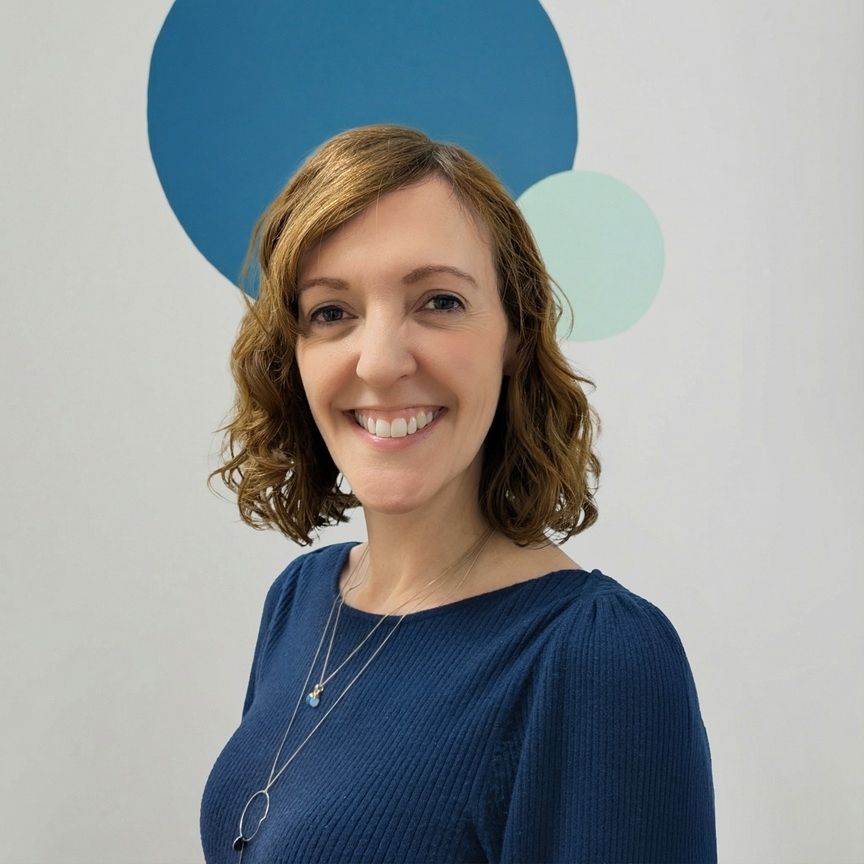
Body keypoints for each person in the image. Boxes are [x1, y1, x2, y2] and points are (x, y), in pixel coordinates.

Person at [199, 124, 717, 863]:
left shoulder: (599, 657)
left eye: (438, 301)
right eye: (331, 312)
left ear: (514, 334)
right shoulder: (301, 600)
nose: (378, 362)